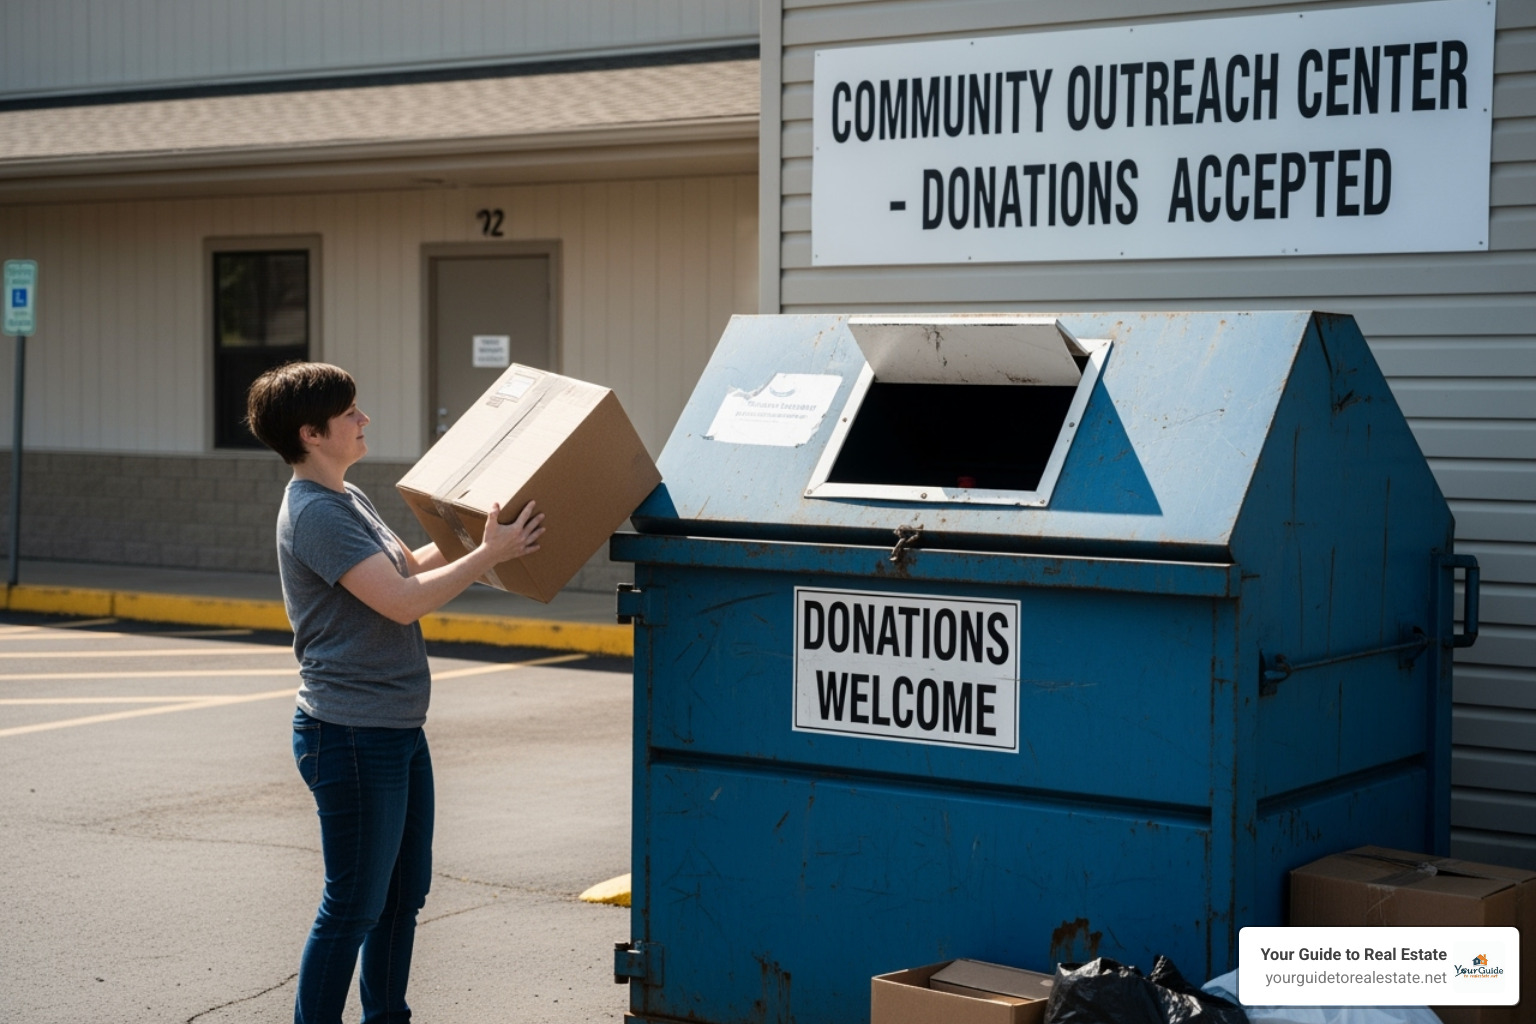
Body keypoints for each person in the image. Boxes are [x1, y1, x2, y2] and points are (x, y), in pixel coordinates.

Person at [245, 361, 545, 1024]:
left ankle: (387, 1017)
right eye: (350, 413)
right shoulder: (315, 512)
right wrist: (489, 555)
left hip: (394, 728)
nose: (363, 420)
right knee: (353, 903)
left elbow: (407, 566)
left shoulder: (347, 498)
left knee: (403, 892)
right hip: (350, 734)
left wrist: (478, 532)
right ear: (312, 433)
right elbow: (403, 603)